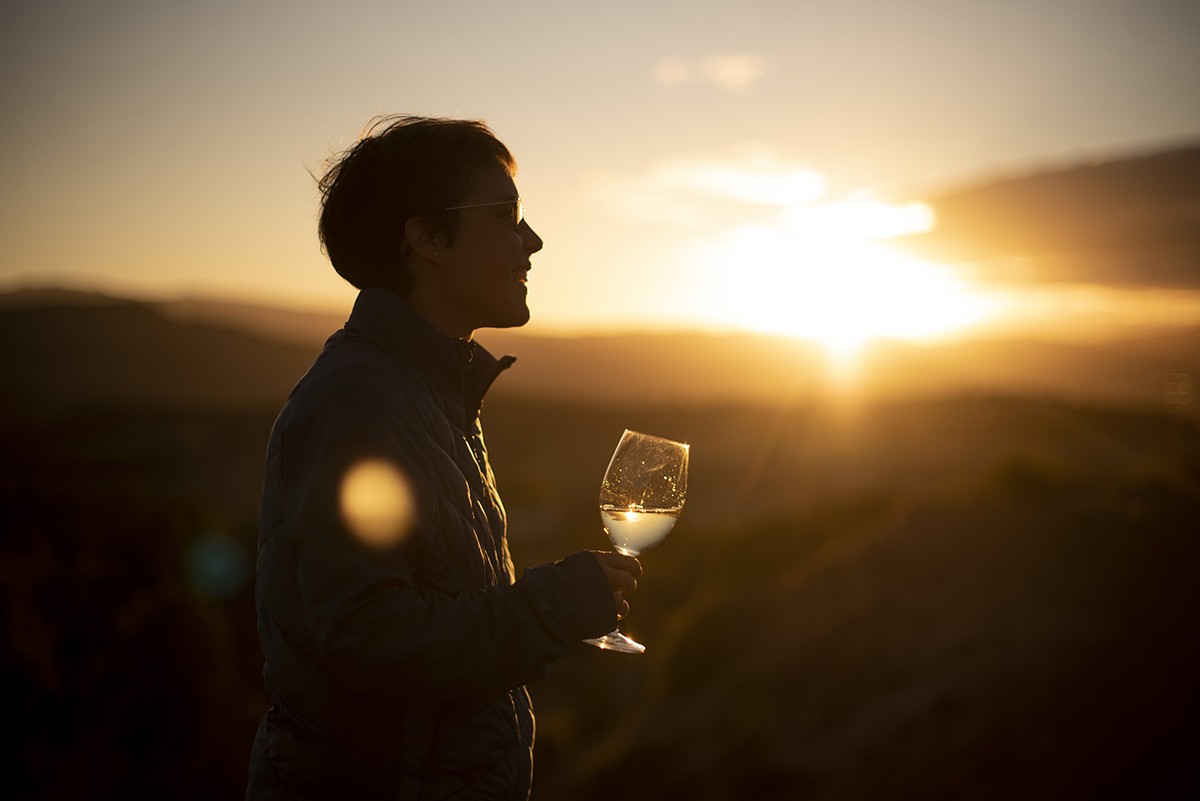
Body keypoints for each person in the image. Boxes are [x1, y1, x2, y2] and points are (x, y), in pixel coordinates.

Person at [246, 115, 642, 800]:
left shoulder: (426, 390)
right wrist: (554, 605)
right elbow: (371, 637)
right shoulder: (359, 404)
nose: (533, 241)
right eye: (507, 216)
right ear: (425, 238)